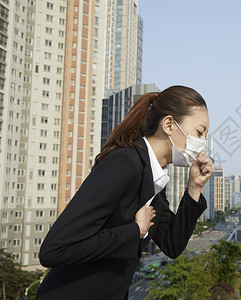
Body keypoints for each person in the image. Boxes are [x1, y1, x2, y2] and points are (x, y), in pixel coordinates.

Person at [36, 85, 215, 299]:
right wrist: (135, 230)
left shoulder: (154, 178)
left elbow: (172, 244)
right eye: (199, 132)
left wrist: (194, 188)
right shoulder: (124, 163)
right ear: (169, 125)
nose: (202, 142)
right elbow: (54, 250)